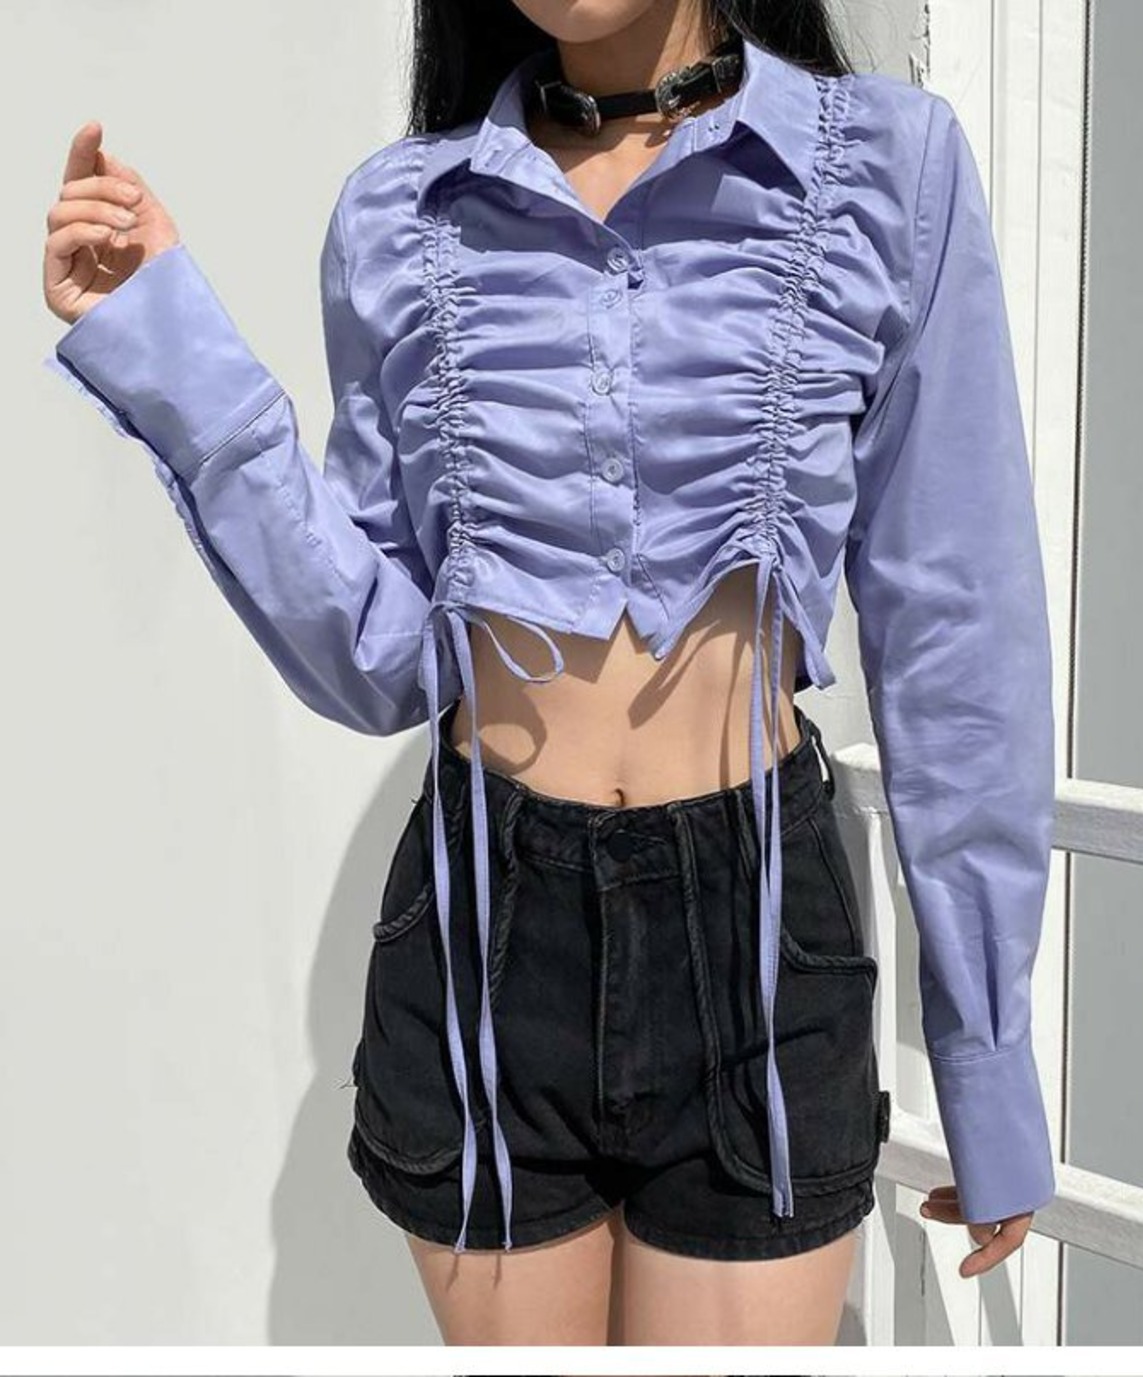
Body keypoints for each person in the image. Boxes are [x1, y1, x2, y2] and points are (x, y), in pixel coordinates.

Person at [41, 0, 1058, 1347]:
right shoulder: (402, 217)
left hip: (755, 923)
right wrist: (172, 355)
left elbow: (958, 625)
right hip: (483, 925)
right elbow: (379, 657)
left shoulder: (886, 168)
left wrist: (985, 1055)